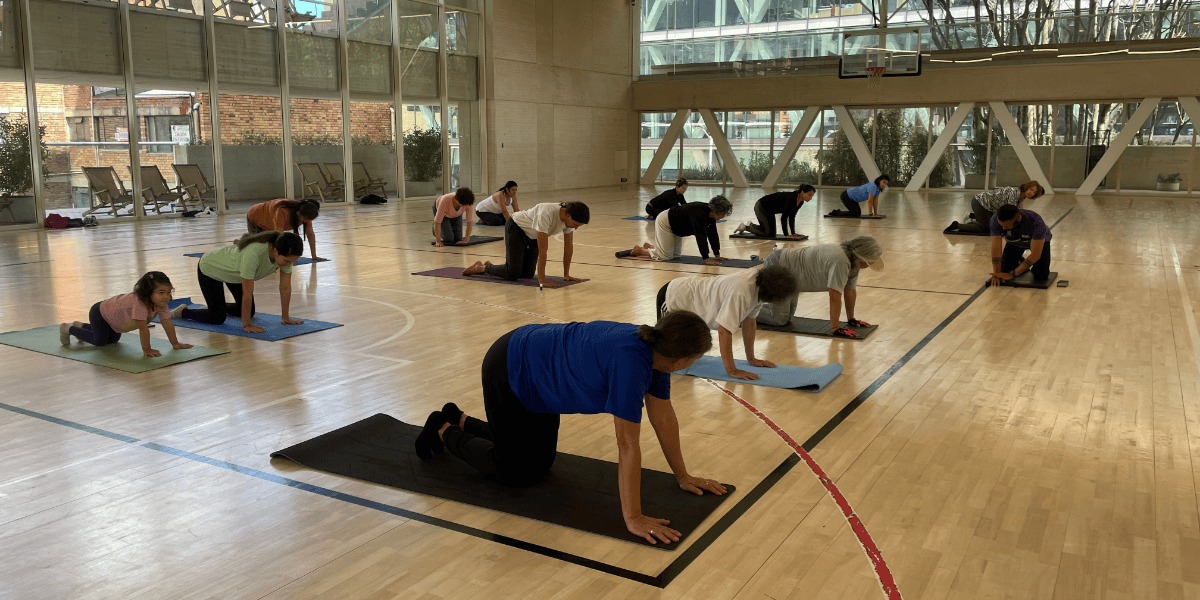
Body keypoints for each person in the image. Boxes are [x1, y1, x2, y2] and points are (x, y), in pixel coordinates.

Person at [414, 311, 727, 545]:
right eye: (696, 358)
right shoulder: (631, 364)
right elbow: (627, 445)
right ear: (681, 359)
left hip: (543, 378)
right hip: (512, 367)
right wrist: (632, 517)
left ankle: (460, 418)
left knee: (540, 462)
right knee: (514, 471)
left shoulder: (656, 355)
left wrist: (683, 475)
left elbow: (663, 418)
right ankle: (443, 427)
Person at [656, 266, 797, 380]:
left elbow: (750, 322)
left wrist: (751, 358)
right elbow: (724, 331)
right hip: (673, 297)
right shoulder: (741, 293)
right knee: (664, 353)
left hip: (690, 303)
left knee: (686, 353)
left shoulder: (759, 288)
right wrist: (732, 370)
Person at [174, 231, 304, 333]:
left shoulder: (285, 256)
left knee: (249, 312)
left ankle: (215, 306)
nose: (289, 264)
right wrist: (246, 325)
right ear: (274, 250)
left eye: (293, 261)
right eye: (287, 261)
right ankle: (182, 312)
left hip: (235, 274)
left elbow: (285, 288)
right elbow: (247, 293)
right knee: (217, 318)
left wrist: (285, 317)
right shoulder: (253, 254)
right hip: (211, 267)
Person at [756, 237, 884, 338]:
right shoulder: (841, 261)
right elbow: (834, 295)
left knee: (788, 316)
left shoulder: (853, 262)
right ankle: (745, 313)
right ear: (861, 257)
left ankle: (756, 308)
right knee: (779, 319)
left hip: (793, 279)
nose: (869, 265)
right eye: (869, 262)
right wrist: (836, 328)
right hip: (780, 267)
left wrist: (851, 319)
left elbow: (849, 290)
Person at [60, 271, 193, 357]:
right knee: (100, 341)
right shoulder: (140, 303)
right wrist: (147, 350)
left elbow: (167, 322)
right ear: (148, 292)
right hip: (100, 313)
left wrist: (175, 343)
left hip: (112, 319)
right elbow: (143, 329)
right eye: (161, 292)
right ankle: (69, 328)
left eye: (168, 292)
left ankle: (81, 325)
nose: (166, 296)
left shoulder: (160, 303)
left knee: (112, 340)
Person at [462, 202, 589, 288]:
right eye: (576, 224)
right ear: (567, 215)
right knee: (512, 273)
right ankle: (482, 268)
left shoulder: (568, 220)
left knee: (528, 273)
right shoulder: (546, 213)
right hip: (516, 228)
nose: (576, 228)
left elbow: (568, 248)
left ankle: (489, 265)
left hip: (532, 235)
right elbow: (543, 250)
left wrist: (566, 274)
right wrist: (542, 280)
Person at [617, 196, 733, 266]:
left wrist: (717, 254)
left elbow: (712, 234)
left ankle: (651, 247)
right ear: (716, 210)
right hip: (666, 222)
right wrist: (706, 258)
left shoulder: (710, 216)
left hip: (678, 228)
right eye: (723, 214)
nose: (723, 216)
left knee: (676, 256)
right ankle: (640, 251)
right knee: (665, 257)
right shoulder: (699, 213)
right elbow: (700, 235)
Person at [946, 181, 1044, 234]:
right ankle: (957, 225)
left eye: (1034, 192)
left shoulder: (1021, 196)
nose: (1032, 193)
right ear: (1027, 187)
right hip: (980, 203)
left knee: (994, 224)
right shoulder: (1015, 193)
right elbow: (1010, 213)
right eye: (1031, 189)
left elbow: (1018, 210)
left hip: (989, 208)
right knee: (987, 229)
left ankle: (972, 217)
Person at [989, 204, 1052, 286]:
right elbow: (996, 249)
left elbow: (1036, 255)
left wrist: (1012, 275)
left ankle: (1023, 265)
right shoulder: (994, 220)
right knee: (1004, 272)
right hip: (1014, 242)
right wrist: (996, 274)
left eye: (1007, 226)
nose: (1003, 229)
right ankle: (1021, 262)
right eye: (1002, 225)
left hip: (1039, 241)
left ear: (1018, 219)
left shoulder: (1036, 222)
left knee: (1041, 276)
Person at [245, 198, 322, 260]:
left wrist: (314, 256)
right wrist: (279, 257)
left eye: (309, 220)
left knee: (267, 249)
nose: (306, 221)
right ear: (298, 213)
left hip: (269, 222)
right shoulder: (282, 211)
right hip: (255, 215)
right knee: (257, 246)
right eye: (305, 219)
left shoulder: (306, 215)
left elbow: (310, 234)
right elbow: (278, 236)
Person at [734, 185, 816, 239]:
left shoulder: (800, 202)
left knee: (771, 233)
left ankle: (752, 225)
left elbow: (792, 217)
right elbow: (784, 218)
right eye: (809, 195)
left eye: (811, 196)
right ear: (802, 192)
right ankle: (745, 227)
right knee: (768, 234)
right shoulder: (792, 198)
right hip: (761, 206)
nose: (810, 198)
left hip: (770, 211)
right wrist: (786, 235)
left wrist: (793, 233)